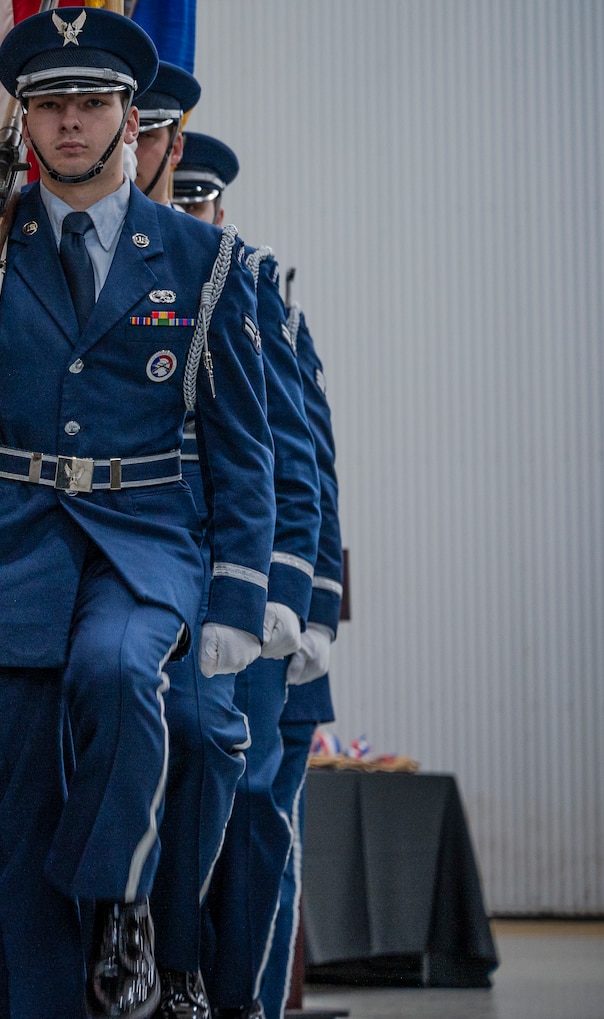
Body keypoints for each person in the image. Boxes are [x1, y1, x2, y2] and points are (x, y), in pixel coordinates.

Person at [0, 7, 275, 1019]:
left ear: (131, 119)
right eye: (48, 105)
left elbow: (241, 440)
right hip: (10, 541)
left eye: (91, 102)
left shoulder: (197, 256)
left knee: (119, 669)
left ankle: (121, 894)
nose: (70, 123)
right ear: (24, 122)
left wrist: (237, 592)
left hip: (145, 540)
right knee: (14, 816)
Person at [151, 131, 323, 1019]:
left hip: (237, 588)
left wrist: (298, 596)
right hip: (150, 578)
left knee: (247, 802)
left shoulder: (247, 290)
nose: (186, 214)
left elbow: (295, 462)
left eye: (199, 201)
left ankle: (236, 998)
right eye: (173, 196)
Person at [258, 300, 342, 1019]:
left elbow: (312, 463)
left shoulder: (271, 316)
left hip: (278, 640)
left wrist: (317, 610)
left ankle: (259, 1006)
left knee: (269, 842)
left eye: (200, 201)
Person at [131, 61, 198, 204]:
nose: (127, 148)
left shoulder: (188, 228)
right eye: (118, 135)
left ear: (175, 149)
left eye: (143, 135)